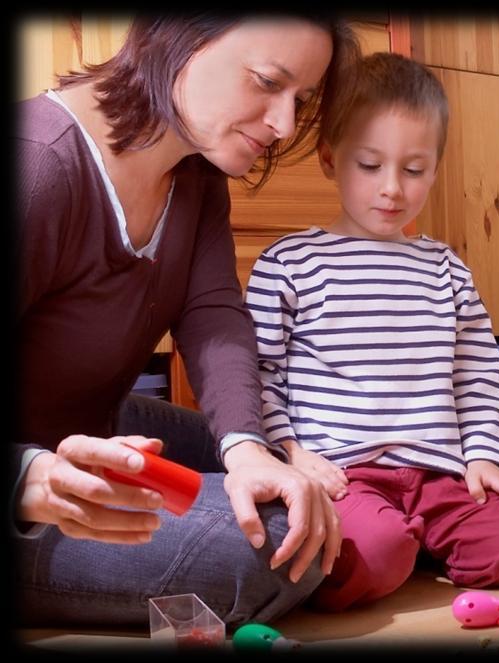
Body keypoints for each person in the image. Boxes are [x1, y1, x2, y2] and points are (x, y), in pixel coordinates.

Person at [13, 14, 362, 627]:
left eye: (299, 100)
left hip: (89, 426)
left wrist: (248, 449)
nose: (282, 124)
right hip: (31, 485)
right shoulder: (36, 165)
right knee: (271, 546)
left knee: (312, 467)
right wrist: (26, 479)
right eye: (266, 82)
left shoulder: (197, 174)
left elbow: (213, 316)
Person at [244, 52, 499, 612]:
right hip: (344, 476)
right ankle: (397, 546)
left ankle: (416, 542)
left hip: (439, 475)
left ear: (435, 168)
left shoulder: (446, 268)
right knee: (368, 553)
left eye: (414, 170)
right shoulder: (290, 263)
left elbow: (477, 374)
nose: (392, 189)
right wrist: (289, 452)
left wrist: (484, 458)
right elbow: (260, 375)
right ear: (328, 158)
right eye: (369, 165)